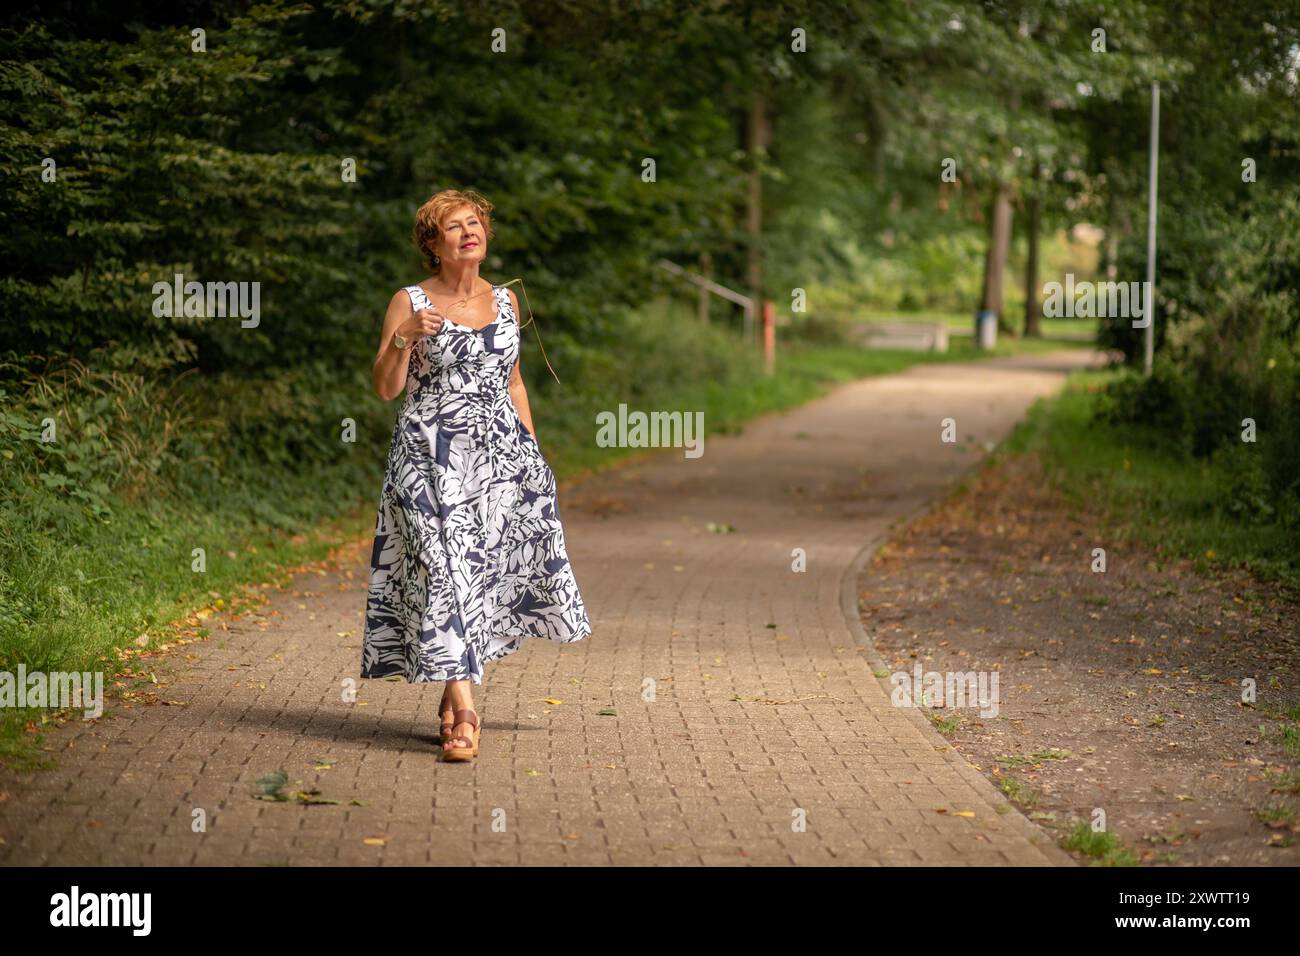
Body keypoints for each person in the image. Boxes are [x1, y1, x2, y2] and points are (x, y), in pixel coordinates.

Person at [360, 188, 592, 761]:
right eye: (453, 227)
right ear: (432, 245)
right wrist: (403, 337)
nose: (468, 232)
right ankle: (465, 713)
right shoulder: (410, 301)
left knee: (473, 576)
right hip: (428, 458)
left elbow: (514, 383)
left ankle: (450, 687)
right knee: (441, 568)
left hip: (498, 462)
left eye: (474, 223)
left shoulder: (508, 303)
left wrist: (533, 452)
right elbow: (386, 388)